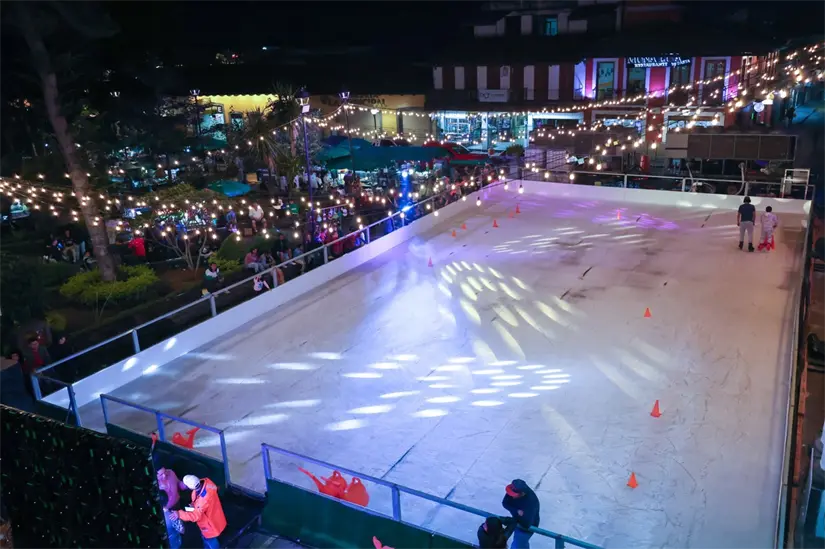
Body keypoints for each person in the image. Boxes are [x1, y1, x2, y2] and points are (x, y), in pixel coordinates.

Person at [171, 475, 226, 549]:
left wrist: (179, 514)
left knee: (209, 539)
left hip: (209, 523)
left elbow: (196, 516)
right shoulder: (208, 482)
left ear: (191, 487)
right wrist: (195, 505)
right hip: (215, 514)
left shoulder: (202, 500)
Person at [502, 479, 540, 549]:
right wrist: (516, 511)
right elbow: (505, 503)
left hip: (526, 527)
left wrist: (515, 521)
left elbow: (527, 524)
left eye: (514, 495)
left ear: (522, 493)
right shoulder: (513, 489)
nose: (511, 496)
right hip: (517, 520)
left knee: (518, 545)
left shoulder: (531, 503)